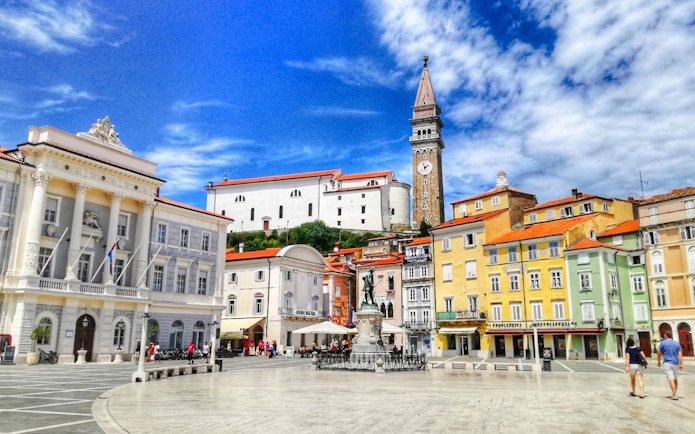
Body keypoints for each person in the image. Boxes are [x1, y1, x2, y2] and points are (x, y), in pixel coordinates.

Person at [657, 330, 684, 400]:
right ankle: (675, 393)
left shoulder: (663, 343)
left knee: (671, 379)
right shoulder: (676, 343)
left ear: (666, 335)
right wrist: (681, 364)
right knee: (675, 378)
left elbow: (659, 353)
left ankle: (674, 394)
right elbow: (680, 354)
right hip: (675, 362)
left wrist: (658, 361)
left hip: (667, 362)